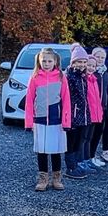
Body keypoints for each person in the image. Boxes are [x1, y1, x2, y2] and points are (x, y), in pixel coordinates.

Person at [24, 47, 71, 191]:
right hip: (40, 119)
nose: (46, 63)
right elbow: (29, 101)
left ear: (55, 61)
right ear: (39, 61)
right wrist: (29, 121)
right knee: (42, 151)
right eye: (44, 60)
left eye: (49, 60)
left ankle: (57, 178)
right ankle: (43, 178)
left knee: (56, 150)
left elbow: (66, 100)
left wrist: (66, 121)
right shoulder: (35, 78)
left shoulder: (61, 77)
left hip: (56, 119)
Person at [64, 46, 92, 180]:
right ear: (73, 62)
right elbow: (66, 97)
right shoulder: (69, 76)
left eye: (84, 62)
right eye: (79, 61)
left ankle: (75, 163)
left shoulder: (82, 76)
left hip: (83, 115)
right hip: (73, 115)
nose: (82, 64)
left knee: (79, 140)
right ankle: (70, 166)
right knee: (71, 140)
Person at [79, 52, 103, 172]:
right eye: (89, 65)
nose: (91, 68)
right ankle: (81, 161)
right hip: (86, 115)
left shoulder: (94, 79)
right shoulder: (84, 80)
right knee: (83, 139)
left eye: (93, 66)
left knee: (89, 138)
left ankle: (87, 159)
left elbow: (97, 100)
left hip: (94, 115)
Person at [88, 46, 108, 167]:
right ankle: (88, 157)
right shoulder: (91, 72)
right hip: (92, 109)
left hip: (103, 108)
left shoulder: (105, 72)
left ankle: (93, 155)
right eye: (98, 57)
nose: (100, 59)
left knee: (98, 133)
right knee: (89, 134)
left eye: (102, 57)